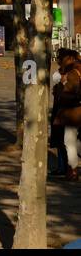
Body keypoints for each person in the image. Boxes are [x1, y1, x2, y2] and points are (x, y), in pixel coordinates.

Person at [51, 48, 81, 180]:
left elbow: (69, 95)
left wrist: (60, 90)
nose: (58, 60)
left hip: (72, 113)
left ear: (68, 58)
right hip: (74, 112)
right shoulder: (75, 70)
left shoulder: (72, 73)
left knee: (70, 142)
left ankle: (72, 172)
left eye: (60, 58)